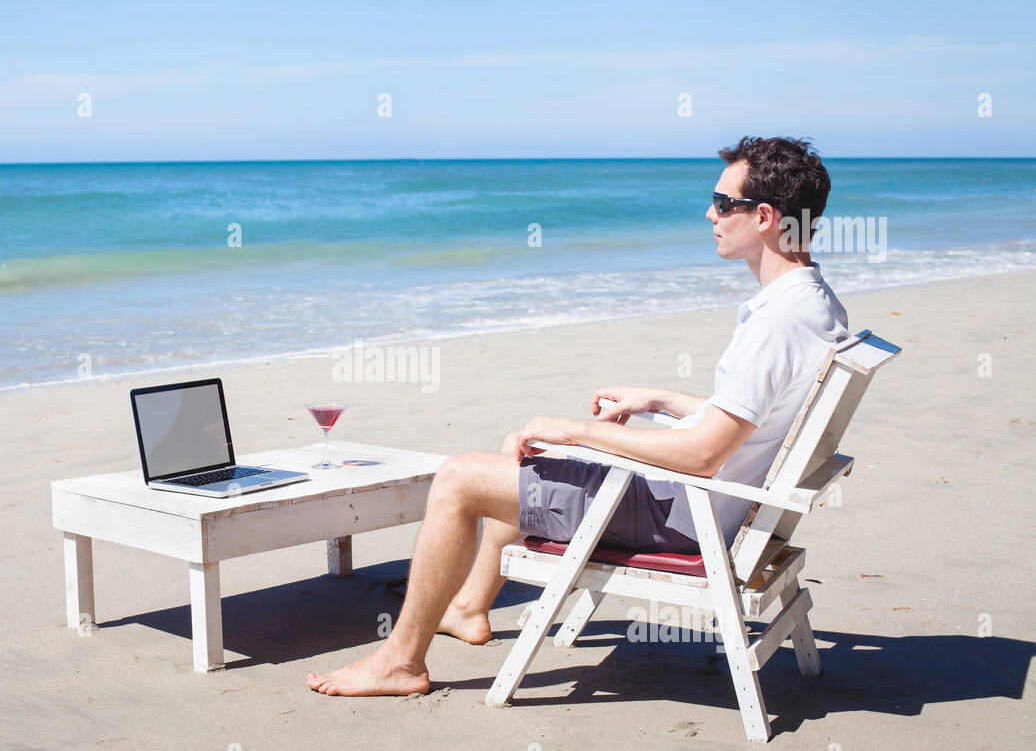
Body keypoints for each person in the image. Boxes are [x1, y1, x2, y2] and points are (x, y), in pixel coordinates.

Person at [307, 136, 850, 697]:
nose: (709, 213)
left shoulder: (775, 324)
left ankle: (401, 661)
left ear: (763, 217)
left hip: (682, 515)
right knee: (519, 450)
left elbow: (703, 454)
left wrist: (578, 433)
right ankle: (469, 606)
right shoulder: (812, 302)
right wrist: (658, 400)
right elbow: (751, 417)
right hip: (710, 505)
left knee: (458, 478)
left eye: (722, 202)